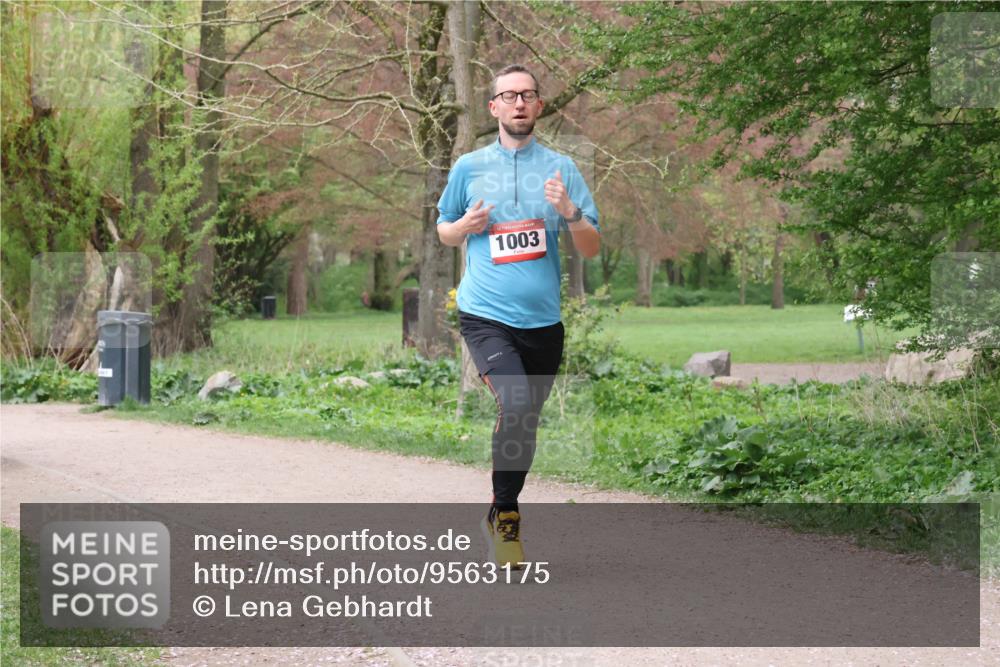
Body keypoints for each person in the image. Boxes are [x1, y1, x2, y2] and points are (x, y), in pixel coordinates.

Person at [436, 64, 601, 568]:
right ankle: (507, 518)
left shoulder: (561, 169)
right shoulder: (468, 166)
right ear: (494, 107)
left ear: (540, 105)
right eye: (509, 96)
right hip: (485, 314)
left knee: (525, 420)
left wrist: (570, 211)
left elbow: (591, 248)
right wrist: (464, 224)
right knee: (515, 402)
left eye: (528, 95)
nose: (519, 104)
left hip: (543, 323)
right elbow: (444, 229)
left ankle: (496, 510)